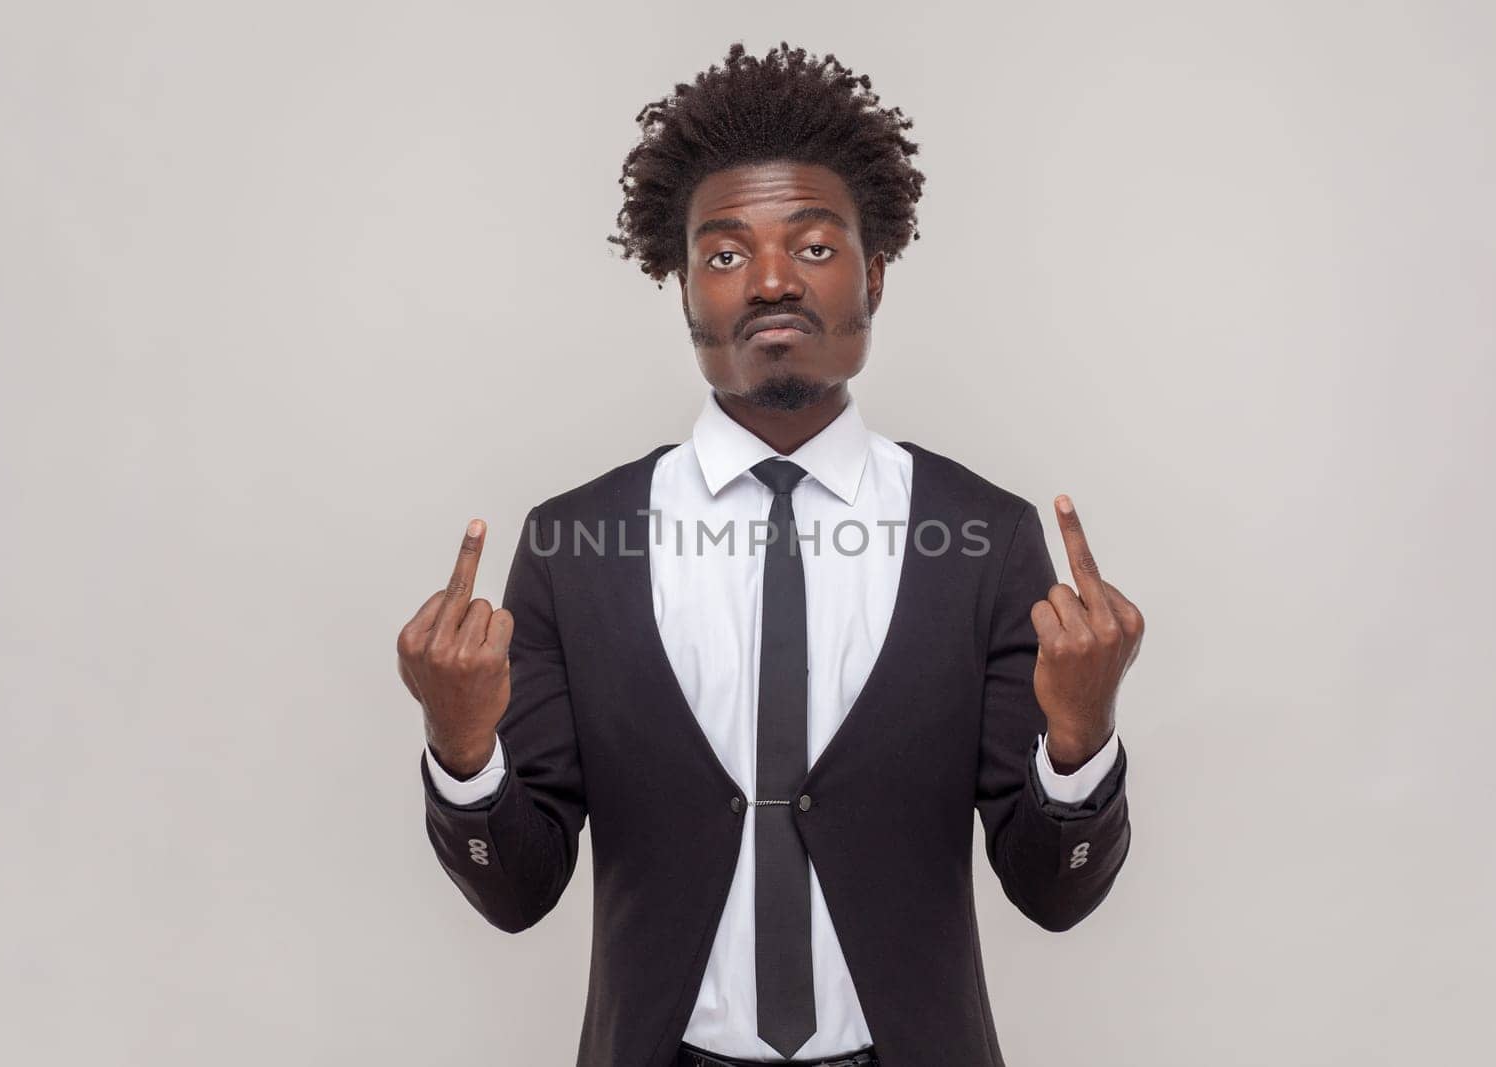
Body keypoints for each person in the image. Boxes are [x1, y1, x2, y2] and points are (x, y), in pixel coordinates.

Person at [396, 40, 1143, 1067]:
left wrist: (1081, 734)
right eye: (724, 252)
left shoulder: (985, 537)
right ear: (683, 290)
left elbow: (1053, 892)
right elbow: (517, 889)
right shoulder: (576, 544)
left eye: (815, 245)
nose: (771, 280)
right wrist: (462, 746)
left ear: (874, 273)